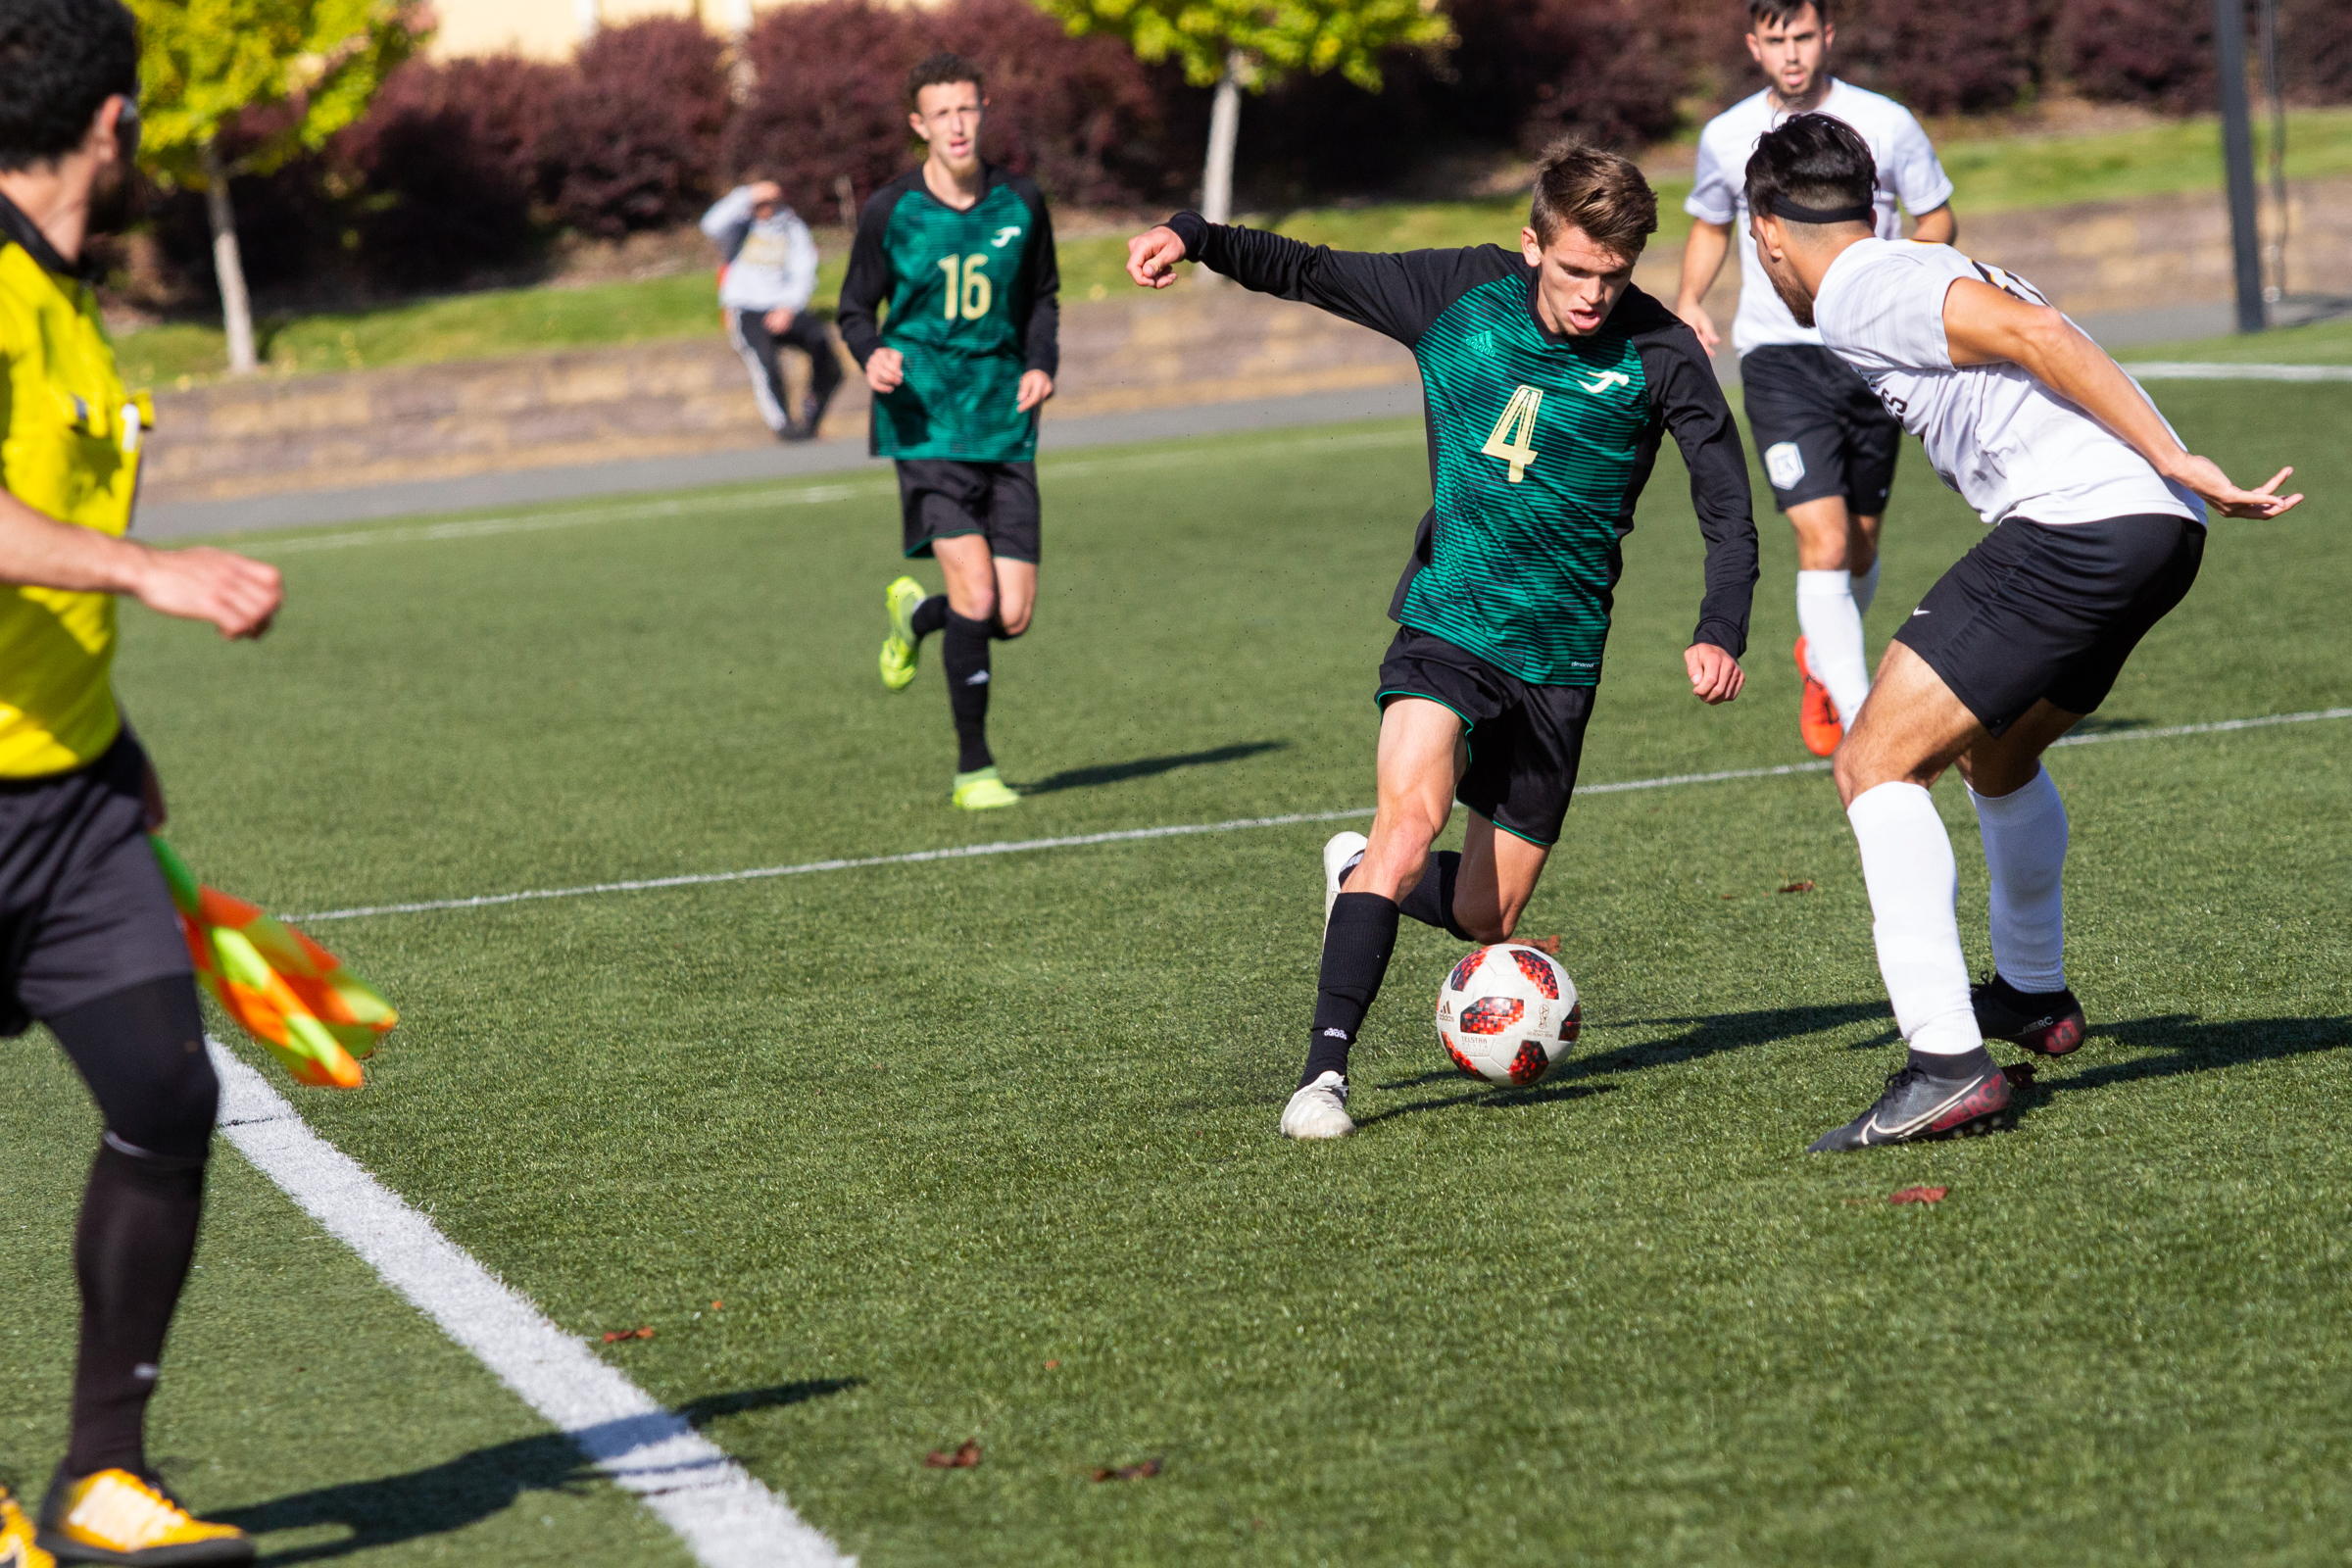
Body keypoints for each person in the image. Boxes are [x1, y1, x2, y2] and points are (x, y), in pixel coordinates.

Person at [1125, 143, 1761, 1141]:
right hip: (1449, 623)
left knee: (1483, 916)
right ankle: (1322, 1078)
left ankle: (1356, 875)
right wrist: (1194, 235)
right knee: (1409, 823)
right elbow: (1312, 269)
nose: (1594, 295)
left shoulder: (1662, 349)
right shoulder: (1458, 293)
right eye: (1575, 270)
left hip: (1560, 660)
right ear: (1532, 244)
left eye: (1614, 275)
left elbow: (1726, 503)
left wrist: (1720, 626)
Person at [1739, 114, 2302, 1151]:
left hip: (2084, 524)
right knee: (1994, 756)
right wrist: (2169, 478)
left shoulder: (1860, 284)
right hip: (2153, 534)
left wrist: (2177, 455)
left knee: (1873, 764)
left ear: (1767, 231)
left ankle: (1947, 1068)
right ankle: (2033, 994)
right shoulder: (1912, 261)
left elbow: (2039, 336)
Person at [0, 0, 285, 1560]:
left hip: (70, 797)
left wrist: (115, 743)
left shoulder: (61, 294)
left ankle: (103, 1478)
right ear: (112, 121)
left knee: (167, 1091)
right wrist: (148, 570)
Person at [1677, 0, 1957, 759]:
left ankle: (1820, 659)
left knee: (1859, 547)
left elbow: (1936, 219)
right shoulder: (1726, 135)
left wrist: (1889, 274)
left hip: (1870, 350)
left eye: (1803, 36)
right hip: (1779, 358)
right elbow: (1709, 222)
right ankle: (1863, 717)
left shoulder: (1886, 123)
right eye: (1777, 40)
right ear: (1754, 46)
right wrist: (1690, 299)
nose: (1792, 53)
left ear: (1827, 35)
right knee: (1824, 542)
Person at [842, 52, 1059, 811]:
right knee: (975, 590)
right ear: (920, 124)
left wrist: (1042, 361)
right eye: (942, 113)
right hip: (925, 422)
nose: (957, 125)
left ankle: (915, 617)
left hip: (1004, 423)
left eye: (967, 108)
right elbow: (854, 310)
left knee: (1010, 614)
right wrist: (872, 355)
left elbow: (1043, 295)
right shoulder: (891, 211)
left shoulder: (1021, 201)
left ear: (983, 109)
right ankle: (975, 770)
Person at [701, 172, 839, 441]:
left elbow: (804, 270)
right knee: (766, 363)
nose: (764, 207)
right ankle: (784, 426)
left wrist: (788, 307)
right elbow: (709, 224)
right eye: (759, 201)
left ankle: (812, 413)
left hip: (783, 307)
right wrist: (747, 194)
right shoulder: (737, 225)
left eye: (769, 200)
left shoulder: (791, 227)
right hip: (746, 309)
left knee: (822, 344)